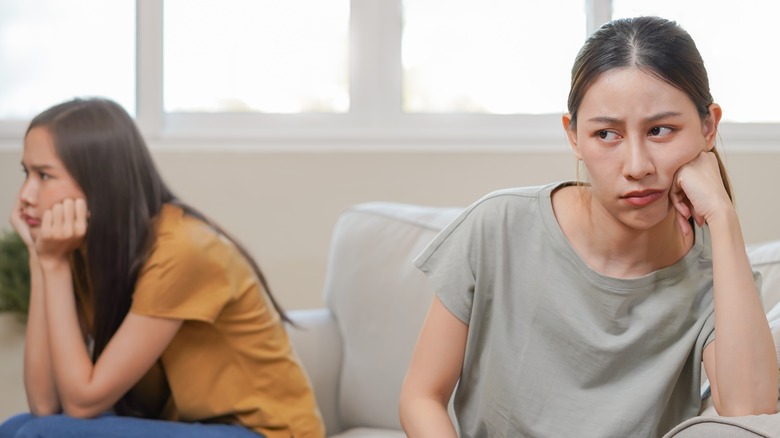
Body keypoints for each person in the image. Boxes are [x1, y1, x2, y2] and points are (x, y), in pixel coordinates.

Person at [399, 16, 777, 438]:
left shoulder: (715, 273)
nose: (637, 166)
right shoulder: (497, 227)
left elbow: (749, 412)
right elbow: (421, 396)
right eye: (606, 134)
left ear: (708, 127)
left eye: (660, 130)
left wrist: (723, 219)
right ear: (574, 136)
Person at [0, 98, 325, 438]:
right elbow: (44, 403)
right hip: (191, 428)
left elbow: (82, 402)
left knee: (38, 434)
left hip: (267, 433)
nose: (25, 195)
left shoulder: (180, 248)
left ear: (99, 181)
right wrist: (41, 261)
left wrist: (52, 264)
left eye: (44, 175)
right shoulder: (83, 249)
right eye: (27, 173)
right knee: (16, 428)